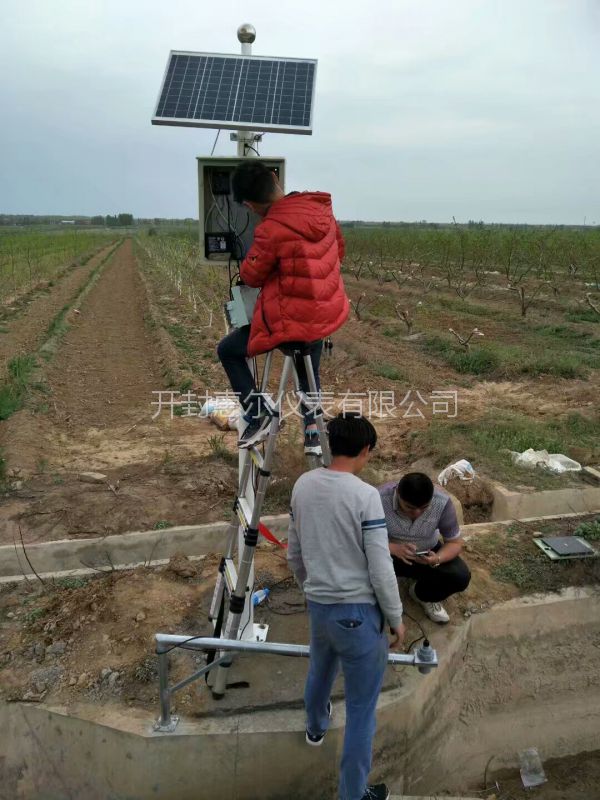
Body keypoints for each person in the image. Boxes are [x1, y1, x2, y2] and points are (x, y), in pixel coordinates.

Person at [288, 413, 405, 800]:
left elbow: (295, 553)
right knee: (360, 711)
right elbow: (380, 566)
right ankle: (354, 794)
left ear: (329, 443)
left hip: (319, 606)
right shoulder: (365, 495)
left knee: (320, 669)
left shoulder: (304, 486)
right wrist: (395, 618)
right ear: (366, 450)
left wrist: (312, 587)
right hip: (357, 615)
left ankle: (316, 726)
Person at [216, 161, 349, 453]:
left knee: (228, 350)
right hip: (323, 316)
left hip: (291, 324)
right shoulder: (321, 209)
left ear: (249, 205)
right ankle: (313, 431)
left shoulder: (271, 229)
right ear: (275, 177)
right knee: (308, 374)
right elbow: (338, 249)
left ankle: (259, 413)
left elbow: (252, 275)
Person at [378, 472, 471, 624]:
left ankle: (422, 595)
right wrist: (392, 548)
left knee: (460, 577)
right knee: (357, 565)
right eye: (409, 507)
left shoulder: (442, 502)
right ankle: (379, 602)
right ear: (398, 494)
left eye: (424, 508)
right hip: (388, 555)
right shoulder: (378, 499)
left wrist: (437, 558)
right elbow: (361, 537)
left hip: (426, 554)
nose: (417, 513)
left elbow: (454, 543)